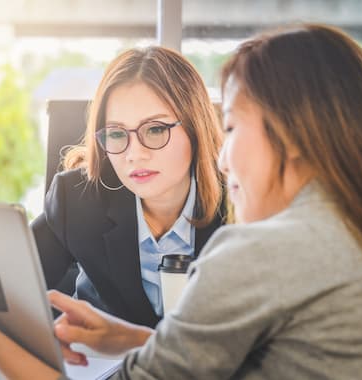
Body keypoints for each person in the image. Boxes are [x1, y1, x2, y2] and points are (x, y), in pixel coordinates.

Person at [0, 23, 362, 379]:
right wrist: (144, 341)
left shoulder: (259, 248)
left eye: (231, 129)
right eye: (116, 134)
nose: (223, 157)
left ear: (290, 137)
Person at [31, 46, 226, 328]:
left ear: (196, 128)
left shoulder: (242, 203)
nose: (134, 154)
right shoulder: (77, 200)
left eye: (156, 129)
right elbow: (7, 289)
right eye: (117, 133)